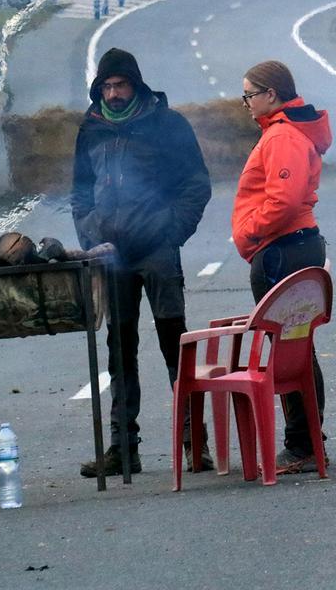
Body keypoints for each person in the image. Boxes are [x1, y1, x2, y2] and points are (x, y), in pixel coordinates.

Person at [72, 47, 212, 476]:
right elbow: (79, 193)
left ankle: (194, 444)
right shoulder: (91, 128)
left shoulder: (167, 125)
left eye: (120, 85)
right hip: (112, 260)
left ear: (136, 84)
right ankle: (122, 449)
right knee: (120, 351)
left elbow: (196, 184)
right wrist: (92, 237)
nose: (113, 94)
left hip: (157, 254)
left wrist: (172, 233)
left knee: (176, 346)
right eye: (106, 86)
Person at [231, 60, 332, 474]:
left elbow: (284, 200)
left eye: (249, 95)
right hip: (290, 247)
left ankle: (303, 443)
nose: (246, 104)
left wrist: (250, 233)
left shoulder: (283, 136)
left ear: (271, 94)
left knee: (293, 349)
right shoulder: (283, 132)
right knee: (296, 346)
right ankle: (307, 438)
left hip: (283, 251)